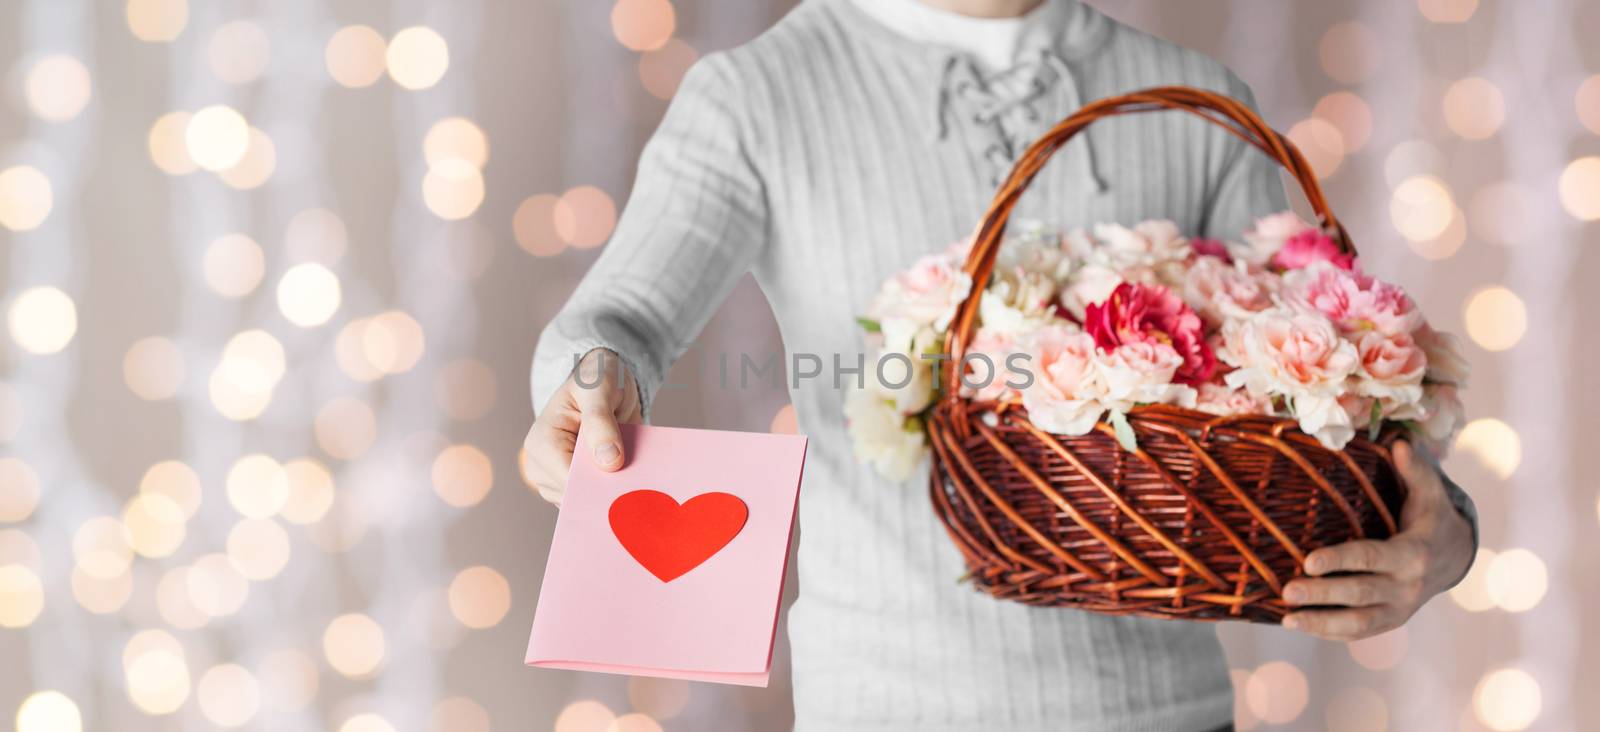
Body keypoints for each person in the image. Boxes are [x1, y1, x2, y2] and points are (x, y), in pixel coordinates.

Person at [523, 1, 1478, 729]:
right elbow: (624, 315)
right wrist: (587, 382)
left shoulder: (1198, 99)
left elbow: (1326, 390)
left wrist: (1443, 530)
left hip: (1166, 712)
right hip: (887, 709)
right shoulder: (760, 94)